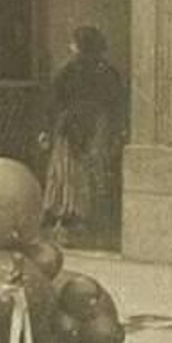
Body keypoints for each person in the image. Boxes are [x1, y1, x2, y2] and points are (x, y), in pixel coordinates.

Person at [42, 25, 125, 246]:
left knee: (67, 174)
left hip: (71, 130)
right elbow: (116, 104)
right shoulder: (108, 71)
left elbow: (54, 101)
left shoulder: (68, 70)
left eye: (74, 42)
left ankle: (68, 220)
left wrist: (49, 129)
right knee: (91, 173)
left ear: (78, 46)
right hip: (97, 128)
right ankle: (87, 222)